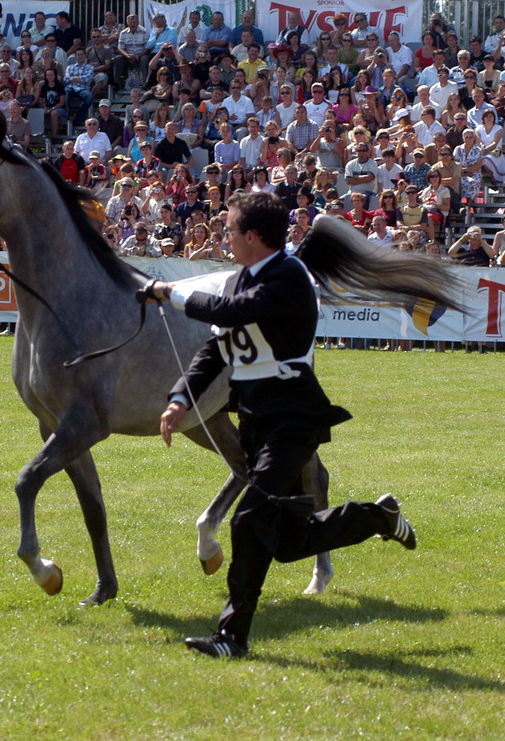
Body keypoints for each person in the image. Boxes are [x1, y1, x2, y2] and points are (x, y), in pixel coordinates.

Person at [146, 192, 417, 659]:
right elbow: (216, 350)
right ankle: (380, 517)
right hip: (255, 419)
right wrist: (178, 399)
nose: (224, 237)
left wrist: (169, 292)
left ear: (252, 237)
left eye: (229, 230)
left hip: (293, 417)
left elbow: (228, 315)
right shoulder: (240, 280)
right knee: (291, 541)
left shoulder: (288, 277)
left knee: (249, 519)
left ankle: (232, 637)